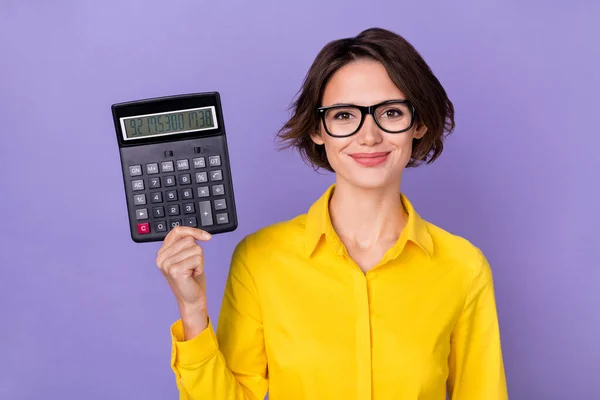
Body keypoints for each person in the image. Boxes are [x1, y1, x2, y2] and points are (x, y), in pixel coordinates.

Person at [156, 27, 508, 400]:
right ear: (318, 130)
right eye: (343, 115)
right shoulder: (260, 260)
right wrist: (193, 309)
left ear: (418, 124)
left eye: (391, 112)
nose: (369, 136)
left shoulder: (463, 267)